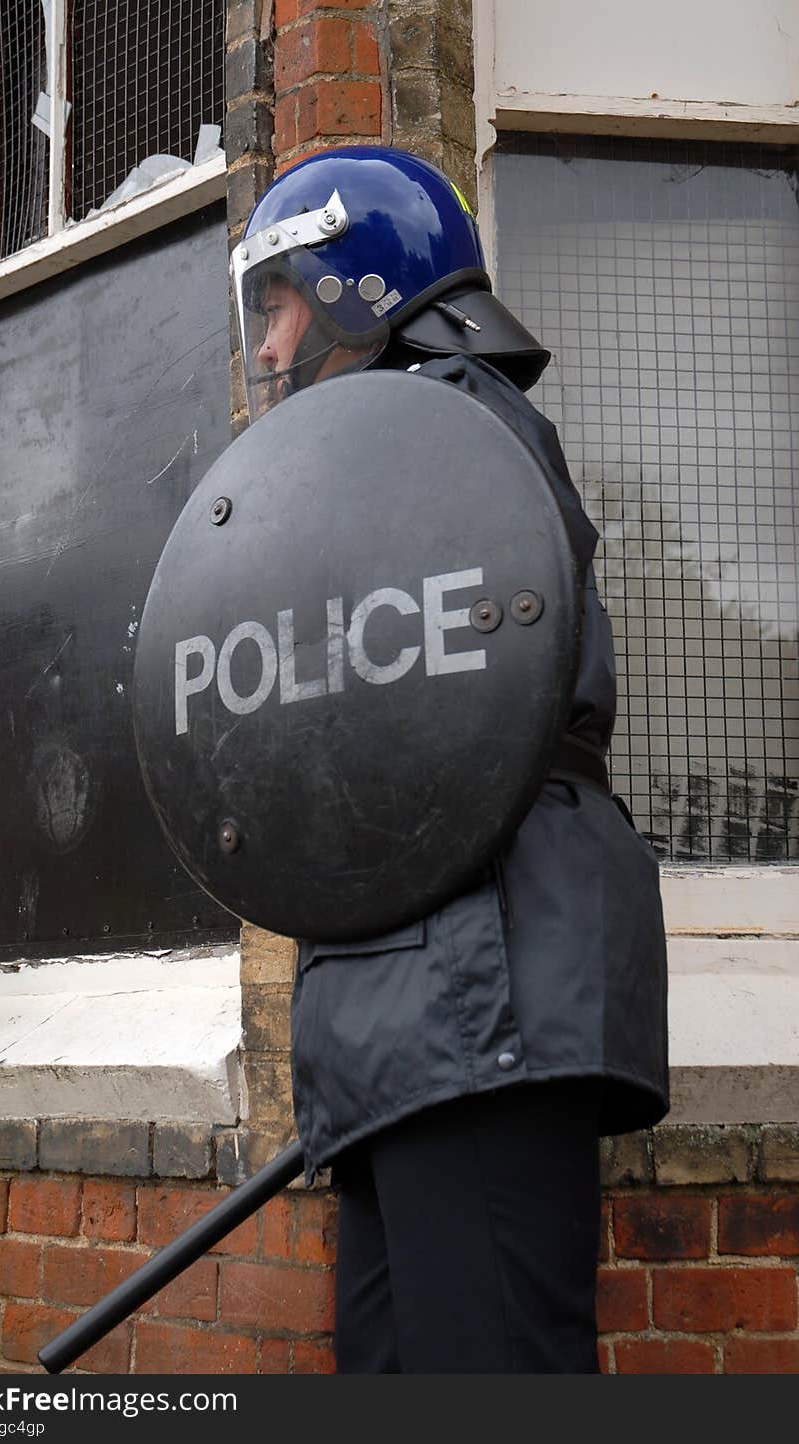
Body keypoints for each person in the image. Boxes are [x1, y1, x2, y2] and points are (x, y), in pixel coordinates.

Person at [230, 147, 669, 1374]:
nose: (266, 350)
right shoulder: (408, 454)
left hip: (479, 993)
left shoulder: (450, 437)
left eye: (279, 306)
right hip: (420, 1011)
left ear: (357, 290)